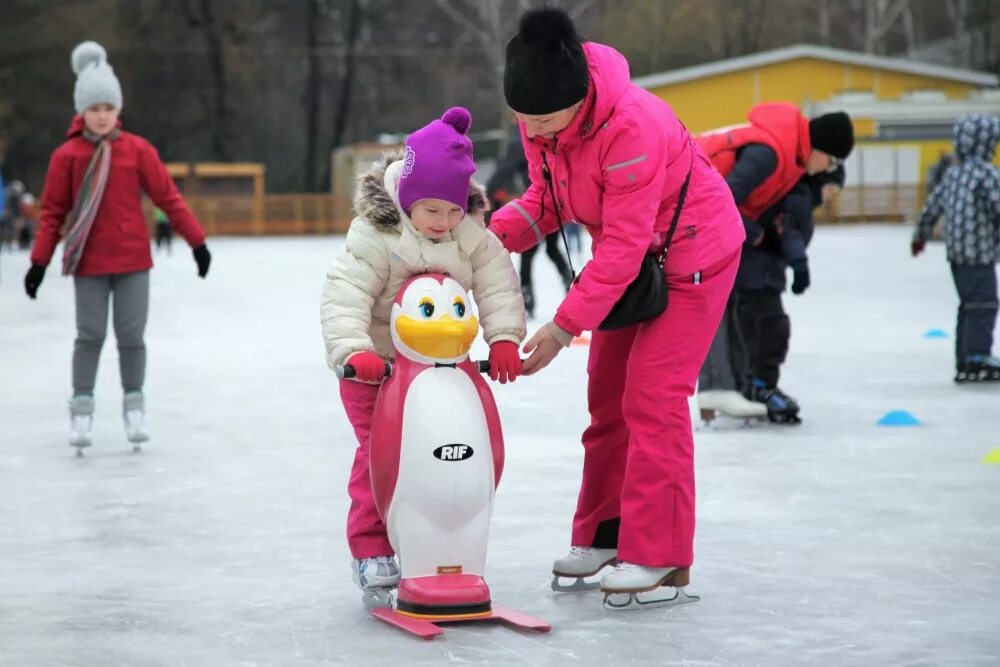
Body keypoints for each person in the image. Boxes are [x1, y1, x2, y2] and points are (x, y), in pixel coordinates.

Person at [487, 8, 744, 601]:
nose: (536, 132)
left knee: (652, 396)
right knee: (607, 400)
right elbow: (547, 201)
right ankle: (606, 534)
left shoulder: (631, 126)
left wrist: (560, 327)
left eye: (545, 120)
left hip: (691, 258)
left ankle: (661, 555)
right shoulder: (542, 121)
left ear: (577, 100)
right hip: (631, 269)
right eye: (524, 120)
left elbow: (625, 245)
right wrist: (486, 236)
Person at [320, 107, 527, 604]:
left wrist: (502, 338)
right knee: (380, 453)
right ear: (409, 198)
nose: (445, 222)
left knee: (450, 452)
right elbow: (344, 294)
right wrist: (355, 351)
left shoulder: (469, 232)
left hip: (441, 371)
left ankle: (441, 546)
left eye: (454, 210)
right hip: (378, 371)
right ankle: (372, 548)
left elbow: (498, 282)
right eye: (433, 211)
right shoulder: (376, 234)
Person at [24, 41, 211, 452]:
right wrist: (39, 262)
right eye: (95, 108)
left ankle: (134, 406)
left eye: (108, 107)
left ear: (117, 109)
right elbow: (52, 212)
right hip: (89, 262)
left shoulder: (137, 151)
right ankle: (82, 410)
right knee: (88, 336)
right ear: (82, 111)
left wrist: (197, 242)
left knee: (131, 337)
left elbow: (168, 198)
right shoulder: (66, 157)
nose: (102, 115)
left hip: (131, 261)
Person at [695, 103, 855, 421]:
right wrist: (756, 235)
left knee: (729, 304)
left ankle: (728, 387)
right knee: (720, 303)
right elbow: (720, 198)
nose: (828, 168)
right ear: (820, 147)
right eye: (832, 159)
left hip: (707, 222)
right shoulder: (770, 152)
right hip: (684, 206)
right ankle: (720, 387)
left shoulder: (790, 160)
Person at [736, 166, 845, 422]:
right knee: (770, 330)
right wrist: (800, 265)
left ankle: (757, 383)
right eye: (830, 189)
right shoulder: (798, 196)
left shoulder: (797, 192)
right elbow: (790, 231)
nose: (829, 197)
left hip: (761, 272)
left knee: (762, 328)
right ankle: (758, 385)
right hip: (758, 275)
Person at [912, 113, 1000, 382]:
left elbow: (931, 208)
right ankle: (976, 356)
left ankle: (965, 358)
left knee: (968, 305)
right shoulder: (986, 174)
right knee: (984, 304)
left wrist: (920, 236)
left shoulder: (953, 174)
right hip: (979, 252)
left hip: (956, 254)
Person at [486, 131, 573, 318]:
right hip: (554, 204)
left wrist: (492, 195)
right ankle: (568, 281)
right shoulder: (551, 130)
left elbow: (502, 172)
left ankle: (527, 295)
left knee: (529, 256)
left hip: (536, 207)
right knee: (552, 249)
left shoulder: (519, 141)